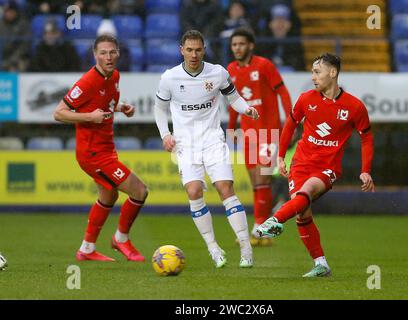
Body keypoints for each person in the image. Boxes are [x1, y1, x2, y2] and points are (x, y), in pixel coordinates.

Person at [257, 53, 375, 277]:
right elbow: (290, 125)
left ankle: (274, 220)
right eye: (312, 72)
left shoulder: (354, 107)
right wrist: (281, 156)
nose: (313, 77)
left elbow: (366, 138)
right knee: (302, 213)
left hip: (327, 167)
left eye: (317, 72)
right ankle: (321, 264)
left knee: (306, 191)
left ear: (333, 73)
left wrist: (365, 170)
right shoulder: (305, 99)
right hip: (300, 163)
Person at [154, 30, 259, 268]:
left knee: (225, 188)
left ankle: (245, 247)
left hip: (212, 139)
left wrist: (247, 109)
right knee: (193, 192)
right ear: (181, 50)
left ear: (204, 50)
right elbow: (159, 109)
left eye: (198, 50)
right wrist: (165, 135)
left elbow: (234, 98)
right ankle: (213, 248)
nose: (193, 54)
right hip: (185, 144)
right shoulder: (169, 78)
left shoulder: (218, 73)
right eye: (189, 50)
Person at [53, 34, 148, 262]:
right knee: (139, 191)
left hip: (106, 147)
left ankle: (86, 249)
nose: (109, 56)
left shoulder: (114, 75)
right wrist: (89, 117)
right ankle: (121, 239)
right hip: (92, 153)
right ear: (95, 55)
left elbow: (104, 104)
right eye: (103, 53)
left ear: (118, 53)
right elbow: (59, 113)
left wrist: (120, 107)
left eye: (112, 52)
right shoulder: (87, 81)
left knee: (109, 194)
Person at [227, 27, 292, 246]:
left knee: (263, 179)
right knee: (256, 182)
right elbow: (235, 102)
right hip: (248, 134)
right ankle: (261, 230)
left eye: (241, 44)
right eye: (234, 44)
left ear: (250, 46)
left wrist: (289, 123)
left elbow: (283, 93)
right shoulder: (231, 70)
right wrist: (232, 127)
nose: (237, 48)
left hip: (268, 131)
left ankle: (258, 230)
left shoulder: (264, 65)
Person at [256, 3, 304, 71]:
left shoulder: (295, 43)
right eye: (276, 21)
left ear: (289, 25)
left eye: (283, 21)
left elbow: (300, 66)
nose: (280, 24)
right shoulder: (262, 43)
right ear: (270, 24)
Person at [0, 1, 31, 72]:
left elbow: (24, 46)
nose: (8, 14)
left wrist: (11, 61)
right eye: (6, 11)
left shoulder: (23, 24)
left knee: (19, 66)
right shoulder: (0, 24)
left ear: (15, 11)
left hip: (17, 58)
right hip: (2, 57)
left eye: (10, 11)